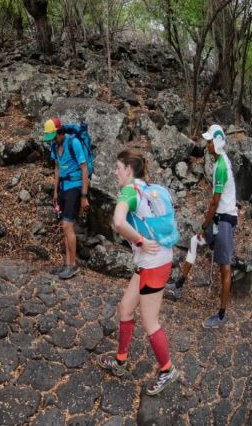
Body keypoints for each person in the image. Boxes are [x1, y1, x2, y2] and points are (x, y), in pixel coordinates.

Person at [97, 148, 179, 396]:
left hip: (154, 263)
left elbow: (119, 222)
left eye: (118, 168)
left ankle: (168, 371)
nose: (115, 172)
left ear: (129, 170)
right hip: (152, 260)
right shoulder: (153, 189)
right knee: (125, 307)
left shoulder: (130, 191)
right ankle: (120, 362)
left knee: (150, 322)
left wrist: (141, 241)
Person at [165, 124, 237, 329]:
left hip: (224, 221)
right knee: (194, 242)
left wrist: (205, 223)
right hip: (218, 219)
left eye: (210, 141)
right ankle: (178, 286)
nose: (207, 145)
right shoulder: (217, 163)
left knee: (225, 268)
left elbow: (215, 201)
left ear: (218, 142)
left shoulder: (221, 166)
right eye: (207, 141)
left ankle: (222, 316)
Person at [43, 117, 90, 280]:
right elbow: (56, 168)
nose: (53, 141)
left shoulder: (74, 143)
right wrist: (55, 192)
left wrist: (84, 196)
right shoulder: (55, 146)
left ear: (60, 132)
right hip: (63, 188)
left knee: (68, 226)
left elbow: (84, 169)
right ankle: (66, 263)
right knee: (64, 226)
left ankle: (73, 265)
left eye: (54, 137)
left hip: (75, 187)